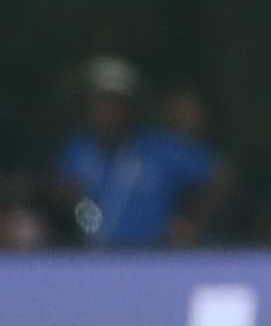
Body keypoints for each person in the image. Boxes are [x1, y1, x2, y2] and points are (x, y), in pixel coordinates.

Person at [49, 56, 232, 248]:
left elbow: (222, 174)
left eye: (112, 103)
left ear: (128, 106)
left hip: (153, 255)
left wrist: (193, 221)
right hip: (94, 255)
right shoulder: (78, 151)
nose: (105, 110)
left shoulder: (159, 149)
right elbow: (58, 186)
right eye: (99, 102)